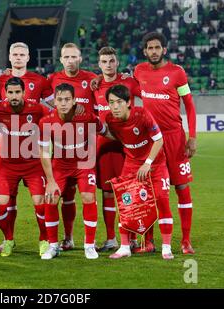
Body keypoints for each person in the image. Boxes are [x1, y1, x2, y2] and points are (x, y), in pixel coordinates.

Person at [134, 32, 196, 254]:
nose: (153, 51)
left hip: (175, 138)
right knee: (149, 190)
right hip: (150, 140)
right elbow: (128, 90)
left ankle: (186, 240)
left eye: (157, 47)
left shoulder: (177, 72)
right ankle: (149, 241)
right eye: (150, 48)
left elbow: (189, 105)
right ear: (144, 51)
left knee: (181, 187)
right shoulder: (139, 71)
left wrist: (193, 137)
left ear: (164, 50)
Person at [0, 42, 53, 244]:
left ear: (28, 57)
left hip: (32, 153)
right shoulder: (0, 82)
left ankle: (46, 239)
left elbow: (55, 106)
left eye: (22, 54)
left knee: (40, 201)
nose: (18, 57)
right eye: (14, 54)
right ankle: (9, 238)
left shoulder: (40, 81)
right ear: (9, 57)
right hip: (7, 153)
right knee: (7, 200)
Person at [103, 85, 174, 260]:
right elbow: (117, 136)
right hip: (131, 163)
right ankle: (125, 247)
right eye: (111, 102)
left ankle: (166, 247)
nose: (115, 106)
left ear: (128, 103)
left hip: (155, 164)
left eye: (119, 102)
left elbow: (159, 140)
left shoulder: (142, 114)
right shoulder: (110, 119)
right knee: (126, 204)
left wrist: (148, 163)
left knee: (162, 200)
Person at [39, 83, 109, 260]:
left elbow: (105, 131)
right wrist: (51, 181)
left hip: (84, 164)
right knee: (51, 198)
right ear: (54, 101)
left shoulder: (87, 117)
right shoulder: (46, 121)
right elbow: (44, 152)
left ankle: (89, 245)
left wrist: (128, 141)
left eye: (67, 99)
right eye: (60, 99)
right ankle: (54, 246)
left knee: (88, 197)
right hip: (60, 165)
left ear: (74, 101)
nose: (63, 103)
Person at [47, 43, 97, 251]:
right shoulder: (51, 80)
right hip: (61, 150)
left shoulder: (93, 78)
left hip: (87, 148)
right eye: (66, 57)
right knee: (63, 196)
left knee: (93, 194)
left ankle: (103, 240)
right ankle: (66, 238)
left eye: (74, 57)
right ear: (61, 60)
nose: (70, 60)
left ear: (80, 58)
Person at [92, 46, 141, 252]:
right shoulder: (95, 85)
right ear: (99, 64)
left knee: (128, 192)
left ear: (117, 62)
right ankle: (111, 238)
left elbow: (146, 96)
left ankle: (131, 237)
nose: (108, 65)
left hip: (126, 147)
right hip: (103, 147)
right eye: (104, 61)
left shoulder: (128, 82)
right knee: (107, 193)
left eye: (112, 61)